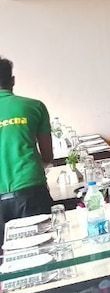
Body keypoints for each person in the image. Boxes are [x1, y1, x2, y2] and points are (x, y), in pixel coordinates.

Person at [0, 57, 54, 241]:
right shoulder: (35, 107)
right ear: (12, 80)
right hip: (31, 191)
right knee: (43, 248)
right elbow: (48, 156)